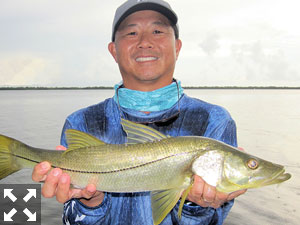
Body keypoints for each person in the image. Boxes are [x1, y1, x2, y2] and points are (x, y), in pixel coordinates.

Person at [32, 0, 246, 224]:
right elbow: (72, 219)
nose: (145, 42)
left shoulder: (215, 120)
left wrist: (195, 205)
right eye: (132, 33)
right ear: (113, 50)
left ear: (177, 47)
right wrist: (90, 202)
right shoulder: (81, 122)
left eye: (157, 31)